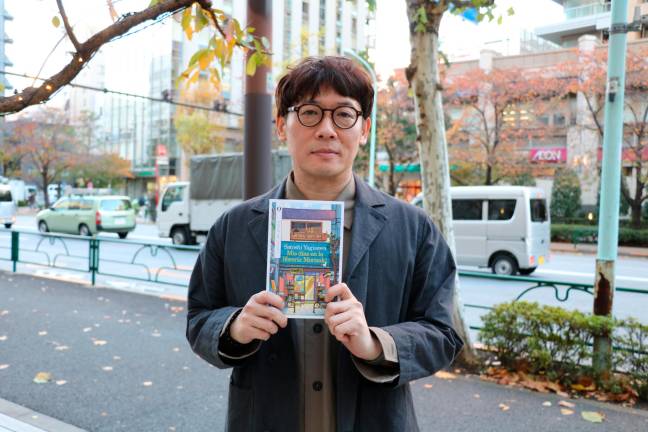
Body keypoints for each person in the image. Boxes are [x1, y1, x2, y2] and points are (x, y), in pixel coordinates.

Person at [186, 56, 463, 432]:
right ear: (282, 125)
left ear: (364, 129)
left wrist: (375, 343)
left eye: (345, 115)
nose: (327, 130)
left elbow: (443, 333)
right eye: (310, 112)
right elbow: (200, 317)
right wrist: (235, 326)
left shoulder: (412, 228)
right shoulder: (234, 227)